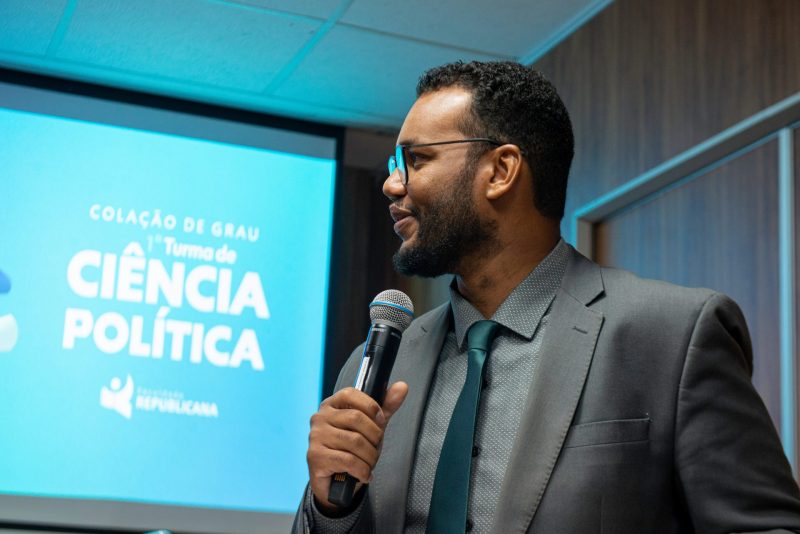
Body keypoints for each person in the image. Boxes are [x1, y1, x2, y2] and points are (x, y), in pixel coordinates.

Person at [292, 61, 800, 533]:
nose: (391, 184)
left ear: (501, 171)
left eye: (416, 159)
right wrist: (331, 507)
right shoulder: (376, 367)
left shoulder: (673, 336)